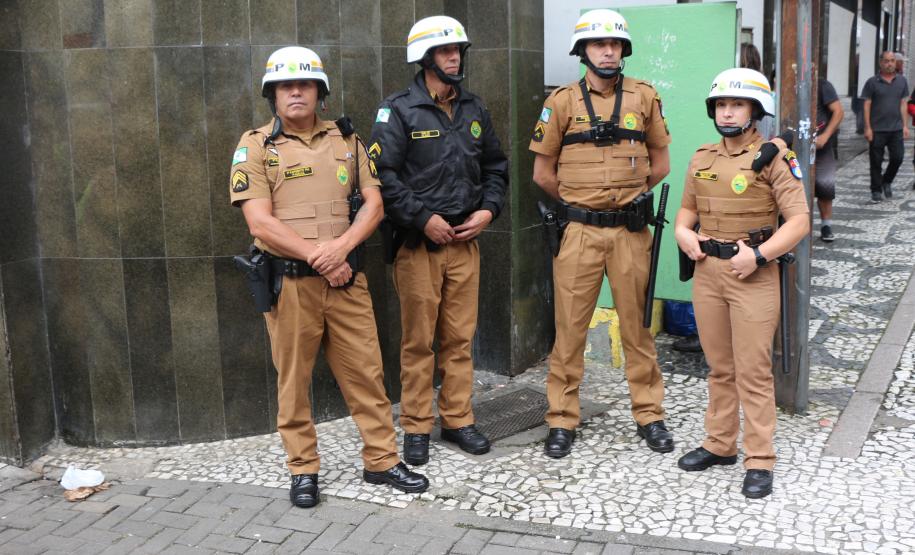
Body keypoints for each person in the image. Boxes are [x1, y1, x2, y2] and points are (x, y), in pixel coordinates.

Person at [230, 46, 428, 508]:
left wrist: (341, 250)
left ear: (320, 91)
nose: (295, 91)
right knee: (293, 381)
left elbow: (375, 204)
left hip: (346, 282)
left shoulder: (348, 140)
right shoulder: (255, 145)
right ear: (272, 93)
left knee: (367, 374)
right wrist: (322, 257)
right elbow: (260, 224)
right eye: (285, 84)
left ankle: (381, 460)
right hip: (290, 285)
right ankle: (303, 469)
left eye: (304, 83)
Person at [530, 9, 675, 458]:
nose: (608, 50)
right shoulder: (561, 102)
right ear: (583, 51)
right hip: (578, 233)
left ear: (624, 50)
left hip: (631, 233)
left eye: (615, 44)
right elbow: (542, 173)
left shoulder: (644, 97)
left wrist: (626, 198)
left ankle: (649, 415)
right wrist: (581, 203)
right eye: (598, 44)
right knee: (568, 331)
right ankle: (561, 420)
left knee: (637, 330)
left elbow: (662, 164)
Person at [368, 16, 508, 466]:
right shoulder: (398, 110)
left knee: (459, 340)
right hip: (418, 246)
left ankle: (458, 420)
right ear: (425, 58)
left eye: (458, 52)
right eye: (446, 52)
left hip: (465, 243)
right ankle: (415, 425)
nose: (455, 58)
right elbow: (381, 178)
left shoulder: (474, 108)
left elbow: (495, 167)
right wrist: (422, 218)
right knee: (418, 342)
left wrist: (488, 210)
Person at [673, 68, 810, 499]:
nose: (728, 112)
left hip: (752, 273)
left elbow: (800, 221)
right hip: (709, 274)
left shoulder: (773, 158)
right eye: (722, 105)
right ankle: (719, 444)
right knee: (720, 367)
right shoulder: (702, 158)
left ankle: (760, 458)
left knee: (753, 370)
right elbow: (685, 214)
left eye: (737, 104)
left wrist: (760, 255)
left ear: (755, 110)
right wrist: (683, 235)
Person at [862, 51, 910, 203]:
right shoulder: (872, 82)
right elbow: (867, 104)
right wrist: (867, 127)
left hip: (896, 129)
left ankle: (886, 180)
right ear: (880, 63)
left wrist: (905, 125)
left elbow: (903, 104)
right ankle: (876, 190)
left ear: (895, 63)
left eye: (892, 61)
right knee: (875, 161)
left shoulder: (902, 81)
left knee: (898, 157)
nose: (889, 64)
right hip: (877, 129)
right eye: (886, 61)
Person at [815, 78, 844, 241]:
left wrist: (825, 135)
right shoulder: (784, 79)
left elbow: (838, 111)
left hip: (821, 145)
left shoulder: (823, 85)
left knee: (825, 184)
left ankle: (826, 224)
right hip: (791, 144)